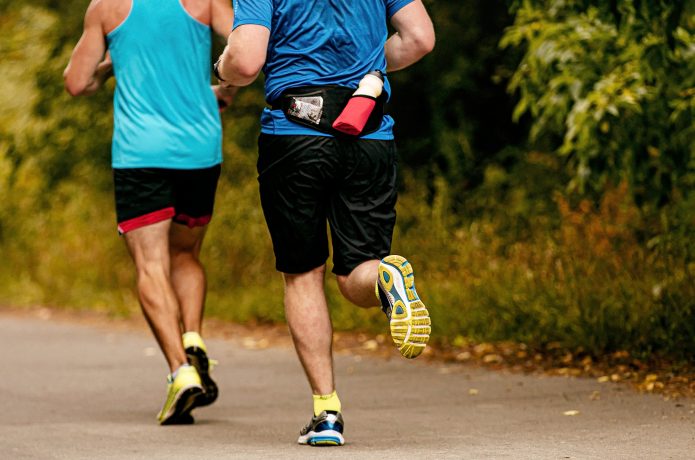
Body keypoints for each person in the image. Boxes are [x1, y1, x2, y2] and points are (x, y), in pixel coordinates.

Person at [215, 0, 435, 446]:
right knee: (359, 270)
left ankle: (327, 412)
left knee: (302, 274)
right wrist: (372, 63)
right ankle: (386, 278)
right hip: (368, 129)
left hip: (295, 138)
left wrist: (222, 66)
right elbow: (420, 37)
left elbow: (247, 61)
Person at [63, 0, 236, 425]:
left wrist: (106, 68)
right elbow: (244, 56)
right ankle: (192, 336)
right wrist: (223, 94)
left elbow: (75, 83)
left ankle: (180, 372)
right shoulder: (208, 1)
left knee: (151, 262)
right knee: (186, 256)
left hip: (140, 153)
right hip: (199, 149)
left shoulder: (105, 7)